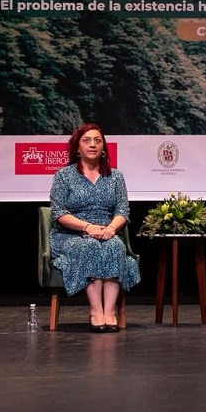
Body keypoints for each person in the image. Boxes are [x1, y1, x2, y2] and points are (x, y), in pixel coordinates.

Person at [49, 123, 140, 333]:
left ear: (104, 148)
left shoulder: (116, 176)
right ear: (77, 148)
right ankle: (95, 310)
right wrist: (88, 227)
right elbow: (59, 213)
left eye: (97, 141)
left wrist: (110, 229)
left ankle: (110, 312)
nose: (92, 145)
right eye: (87, 141)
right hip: (71, 233)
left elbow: (123, 211)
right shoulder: (64, 175)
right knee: (89, 247)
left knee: (115, 247)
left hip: (106, 229)